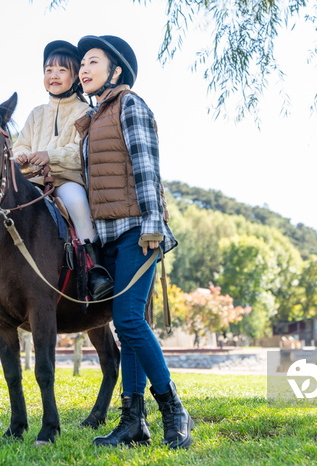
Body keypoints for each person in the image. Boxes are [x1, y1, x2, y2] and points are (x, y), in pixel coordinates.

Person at [75, 35, 194, 449]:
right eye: (81, 65)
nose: (82, 69)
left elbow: (146, 167)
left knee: (127, 320)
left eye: (92, 62)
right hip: (108, 235)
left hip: (138, 231)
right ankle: (133, 424)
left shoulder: (129, 104)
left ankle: (174, 409)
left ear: (116, 70)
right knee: (126, 327)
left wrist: (153, 223)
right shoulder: (93, 119)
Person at [0, 40, 113, 308]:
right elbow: (22, 144)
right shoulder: (36, 113)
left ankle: (93, 268)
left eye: (62, 70)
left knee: (75, 202)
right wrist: (22, 156)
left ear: (75, 77)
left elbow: (81, 150)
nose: (53, 75)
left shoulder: (85, 111)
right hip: (33, 181)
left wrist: (50, 156)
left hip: (67, 180)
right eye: (48, 70)